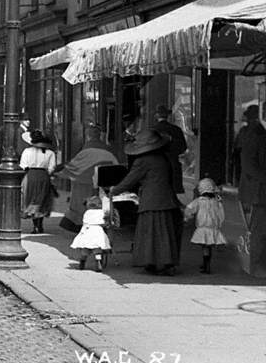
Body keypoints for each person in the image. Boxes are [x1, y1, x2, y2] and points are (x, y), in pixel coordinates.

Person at [109, 129, 181, 275]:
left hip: (151, 200)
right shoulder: (163, 158)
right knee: (164, 232)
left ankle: (155, 262)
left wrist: (113, 190)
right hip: (166, 199)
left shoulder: (143, 161)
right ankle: (164, 262)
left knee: (151, 232)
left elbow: (131, 180)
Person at [237, 102, 266, 277]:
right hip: (258, 191)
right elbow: (248, 164)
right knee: (260, 230)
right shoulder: (254, 134)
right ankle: (256, 267)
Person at [58, 125, 120, 232]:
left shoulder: (84, 152)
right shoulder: (108, 152)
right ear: (100, 136)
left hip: (83, 185)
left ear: (88, 136)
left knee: (82, 207)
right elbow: (116, 167)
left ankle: (81, 226)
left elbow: (73, 168)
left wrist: (58, 172)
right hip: (103, 186)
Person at [183, 177, 226, 274]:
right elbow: (221, 214)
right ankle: (207, 264)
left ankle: (206, 266)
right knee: (209, 247)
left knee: (205, 247)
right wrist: (220, 224)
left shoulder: (199, 201)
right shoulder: (217, 201)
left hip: (203, 228)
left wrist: (186, 218)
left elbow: (189, 209)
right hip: (213, 227)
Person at [21, 130, 58, 233]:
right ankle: (39, 224)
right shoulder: (50, 153)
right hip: (43, 176)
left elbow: (23, 165)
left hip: (30, 175)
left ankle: (35, 225)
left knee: (32, 197)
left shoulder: (27, 151)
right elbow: (51, 168)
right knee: (42, 198)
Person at [153, 104, 188, 195]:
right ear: (167, 116)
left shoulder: (153, 130)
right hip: (173, 164)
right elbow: (183, 147)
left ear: (157, 116)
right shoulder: (176, 130)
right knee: (173, 193)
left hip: (156, 166)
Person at [71, 194, 111, 272]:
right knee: (97, 249)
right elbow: (103, 223)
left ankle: (82, 261)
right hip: (97, 232)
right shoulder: (101, 212)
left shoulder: (87, 213)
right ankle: (98, 262)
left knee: (85, 250)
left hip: (87, 231)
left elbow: (84, 222)